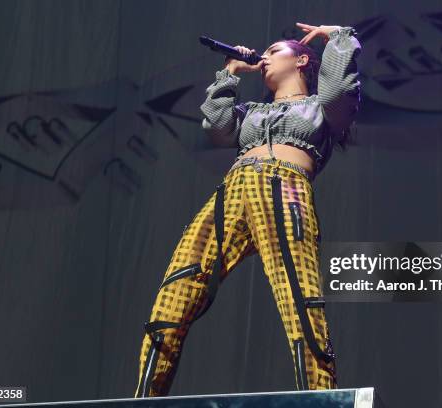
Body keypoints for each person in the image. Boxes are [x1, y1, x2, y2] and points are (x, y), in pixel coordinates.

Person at [134, 22, 361, 397]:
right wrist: (229, 73)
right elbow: (218, 126)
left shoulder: (320, 109)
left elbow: (339, 90)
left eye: (275, 51)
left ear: (301, 60)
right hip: (232, 192)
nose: (265, 57)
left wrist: (339, 37)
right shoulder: (250, 112)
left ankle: (319, 398)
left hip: (284, 186)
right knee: (176, 292)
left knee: (299, 301)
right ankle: (144, 399)